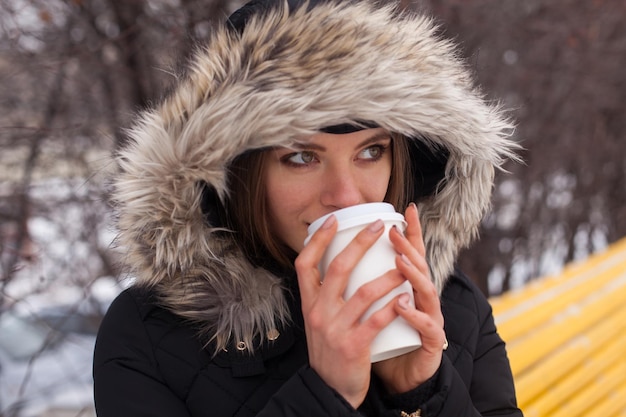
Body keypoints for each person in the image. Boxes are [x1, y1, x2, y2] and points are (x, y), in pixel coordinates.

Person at [93, 0, 524, 416]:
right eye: (302, 157)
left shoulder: (453, 306)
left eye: (371, 151)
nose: (348, 195)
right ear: (237, 172)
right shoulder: (147, 335)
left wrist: (421, 394)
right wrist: (325, 396)